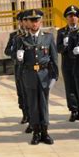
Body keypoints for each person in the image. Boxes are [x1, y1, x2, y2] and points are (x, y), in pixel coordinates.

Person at [16, 9, 59, 145]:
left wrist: (54, 77)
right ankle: (36, 132)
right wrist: (18, 58)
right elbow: (17, 59)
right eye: (31, 21)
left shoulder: (48, 37)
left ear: (41, 21)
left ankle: (45, 132)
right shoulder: (21, 39)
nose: (34, 23)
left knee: (44, 104)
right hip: (29, 75)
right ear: (27, 22)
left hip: (44, 75)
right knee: (33, 105)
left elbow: (54, 58)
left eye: (37, 20)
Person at [4, 12, 29, 126]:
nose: (24, 22)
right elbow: (7, 51)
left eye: (26, 20)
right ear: (19, 22)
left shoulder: (33, 35)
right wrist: (15, 52)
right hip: (19, 68)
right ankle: (25, 114)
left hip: (31, 68)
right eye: (22, 20)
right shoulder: (14, 35)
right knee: (22, 92)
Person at [57, 5, 79, 121]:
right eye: (70, 16)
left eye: (75, 16)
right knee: (70, 88)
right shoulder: (61, 32)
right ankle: (74, 110)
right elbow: (58, 49)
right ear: (67, 18)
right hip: (68, 64)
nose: (73, 18)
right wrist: (65, 45)